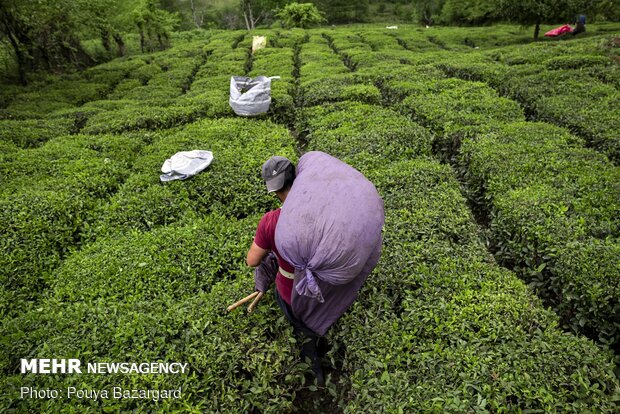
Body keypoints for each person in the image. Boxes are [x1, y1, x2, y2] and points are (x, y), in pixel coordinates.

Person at [245, 155, 325, 386]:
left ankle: (316, 374)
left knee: (303, 330)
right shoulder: (321, 210)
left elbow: (252, 260)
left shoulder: (270, 221)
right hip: (325, 285)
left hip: (293, 292)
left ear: (275, 190)